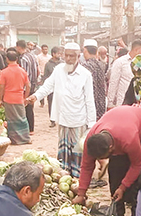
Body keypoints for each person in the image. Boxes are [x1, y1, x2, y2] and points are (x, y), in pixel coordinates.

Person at [72, 106, 141, 216]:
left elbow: (138, 164)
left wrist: (123, 186)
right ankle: (119, 215)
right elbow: (87, 166)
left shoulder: (128, 139)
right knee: (115, 172)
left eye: (102, 158)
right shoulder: (91, 140)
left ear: (111, 148)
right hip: (121, 125)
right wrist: (81, 194)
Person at [27, 43, 96, 177]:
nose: (69, 58)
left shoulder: (85, 74)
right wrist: (35, 96)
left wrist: (91, 124)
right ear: (63, 55)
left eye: (72, 56)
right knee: (63, 151)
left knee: (77, 151)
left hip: (78, 119)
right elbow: (48, 86)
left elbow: (89, 100)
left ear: (78, 56)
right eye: (67, 55)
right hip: (63, 118)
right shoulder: (59, 70)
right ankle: (64, 176)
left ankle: (77, 178)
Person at [0, 49, 31, 145]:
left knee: (11, 119)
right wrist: (25, 97)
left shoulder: (4, 72)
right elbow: (28, 85)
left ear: (7, 59)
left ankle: (14, 139)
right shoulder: (22, 71)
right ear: (17, 59)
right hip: (19, 98)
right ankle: (26, 138)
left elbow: (1, 87)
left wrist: (0, 98)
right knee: (22, 118)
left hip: (8, 98)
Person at [107, 39, 141, 109]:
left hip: (138, 105)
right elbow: (113, 83)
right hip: (122, 103)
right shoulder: (120, 62)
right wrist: (110, 104)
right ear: (136, 50)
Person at [17, 40, 39, 134]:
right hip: (33, 84)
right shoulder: (33, 56)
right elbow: (38, 70)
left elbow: (23, 74)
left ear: (18, 47)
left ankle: (27, 129)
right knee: (30, 107)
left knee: (25, 107)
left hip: (26, 86)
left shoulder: (23, 58)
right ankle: (31, 128)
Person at [82, 39, 107, 120]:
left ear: (85, 50)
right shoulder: (101, 65)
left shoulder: (84, 66)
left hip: (89, 107)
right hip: (100, 106)